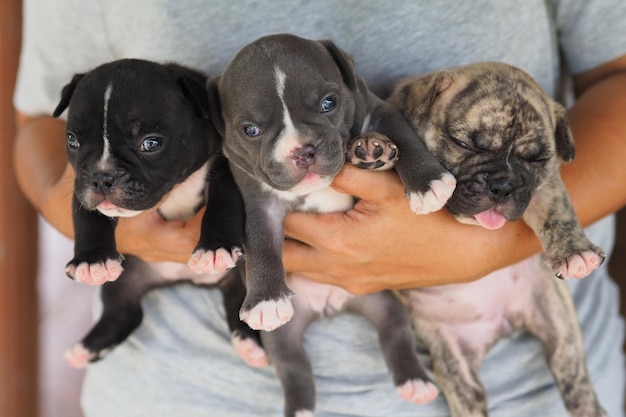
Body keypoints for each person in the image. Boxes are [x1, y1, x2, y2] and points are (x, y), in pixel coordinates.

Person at [13, 0, 626, 416]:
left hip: (531, 387)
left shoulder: (371, 113)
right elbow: (43, 125)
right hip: (190, 391)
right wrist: (118, 229)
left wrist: (493, 244)